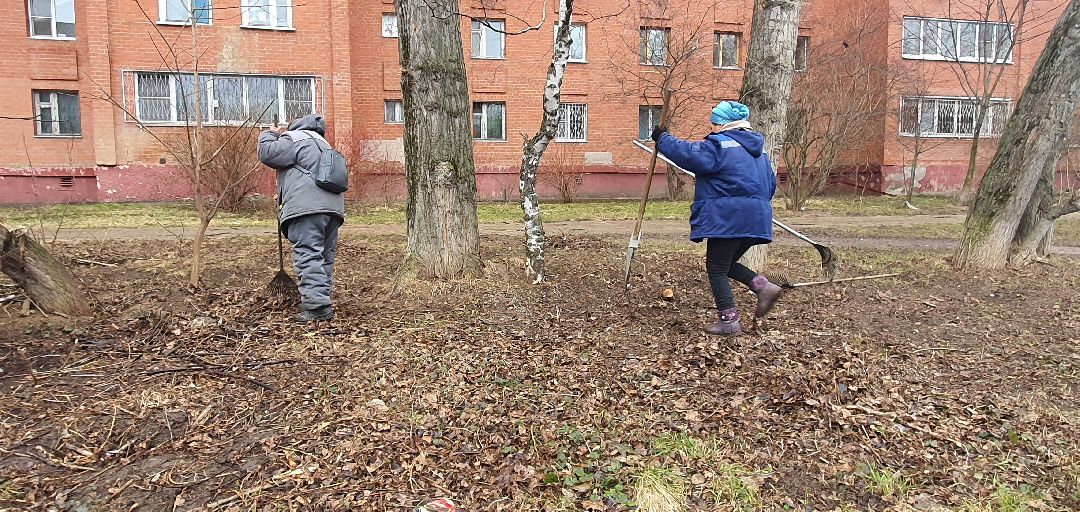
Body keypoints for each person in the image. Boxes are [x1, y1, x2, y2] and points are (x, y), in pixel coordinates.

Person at [652, 101, 783, 336]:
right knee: (726, 265)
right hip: (757, 218)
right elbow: (770, 186)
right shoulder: (759, 153)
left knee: (715, 268)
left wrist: (663, 139)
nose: (711, 128)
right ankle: (764, 288)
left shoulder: (720, 145)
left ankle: (729, 321)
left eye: (713, 123)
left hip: (729, 218)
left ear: (723, 124)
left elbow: (690, 155)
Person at [258, 114, 345, 323]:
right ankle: (321, 300)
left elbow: (267, 153)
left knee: (308, 254)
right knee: (323, 256)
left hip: (307, 209)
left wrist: (269, 133)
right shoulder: (324, 144)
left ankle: (317, 308)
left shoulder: (295, 138)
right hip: (333, 210)